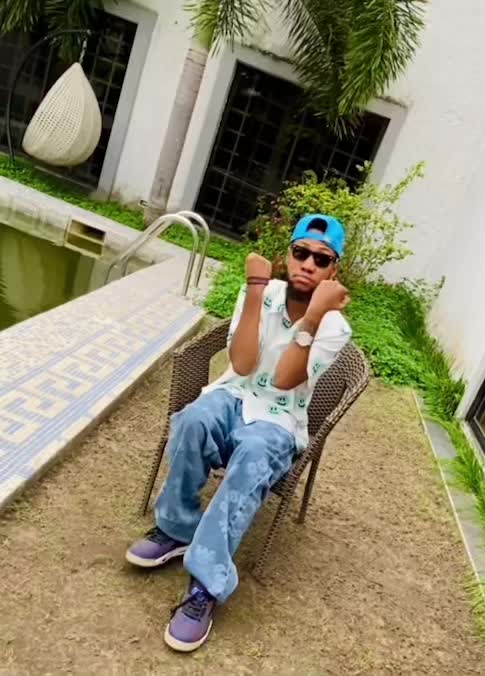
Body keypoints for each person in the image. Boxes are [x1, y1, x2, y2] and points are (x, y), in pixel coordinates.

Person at [126, 214, 352, 652]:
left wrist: (313, 317)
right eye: (301, 252)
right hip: (234, 393)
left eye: (321, 259)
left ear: (333, 270)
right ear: (288, 255)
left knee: (254, 454)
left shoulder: (335, 328)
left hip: (279, 420)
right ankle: (177, 528)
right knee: (194, 420)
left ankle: (206, 582)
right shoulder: (263, 293)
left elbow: (285, 380)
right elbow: (244, 364)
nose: (308, 264)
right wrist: (254, 290)